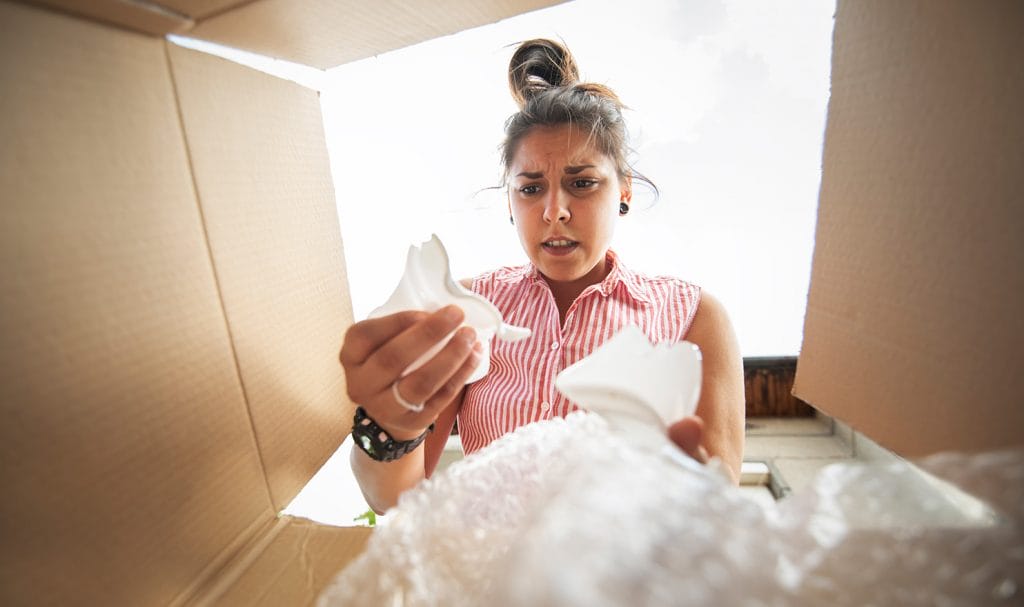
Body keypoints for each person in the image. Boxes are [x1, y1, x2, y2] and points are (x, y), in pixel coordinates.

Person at [340, 39, 745, 513]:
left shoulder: (694, 315)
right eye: (531, 188)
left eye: (582, 183)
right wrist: (390, 429)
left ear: (624, 190)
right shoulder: (470, 309)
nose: (555, 212)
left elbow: (720, 499)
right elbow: (395, 501)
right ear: (510, 203)